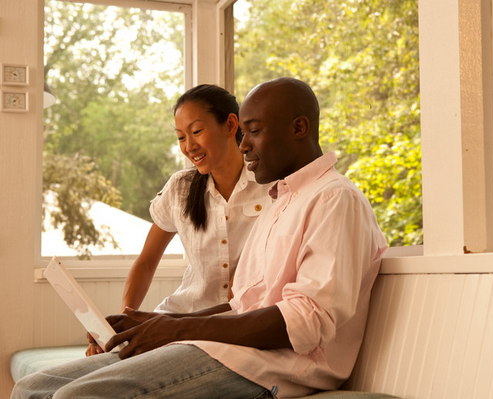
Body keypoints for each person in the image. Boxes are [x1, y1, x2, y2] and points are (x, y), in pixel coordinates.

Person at [11, 77, 388, 399]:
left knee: (74, 397)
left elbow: (305, 323)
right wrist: (151, 324)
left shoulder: (335, 199)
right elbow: (243, 304)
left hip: (276, 367)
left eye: (253, 132)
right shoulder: (281, 200)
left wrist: (178, 327)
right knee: (31, 388)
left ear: (298, 128)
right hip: (225, 347)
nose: (244, 145)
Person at [86, 84, 273, 355]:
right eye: (180, 137)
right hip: (178, 317)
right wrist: (127, 319)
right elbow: (146, 261)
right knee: (96, 364)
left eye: (196, 132)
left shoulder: (272, 186)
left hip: (228, 328)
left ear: (231, 125)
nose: (189, 146)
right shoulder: (180, 188)